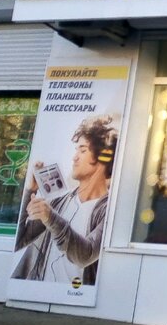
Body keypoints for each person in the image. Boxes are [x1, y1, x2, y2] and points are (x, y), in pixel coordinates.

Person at [12, 115, 118, 286]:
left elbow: (85, 256)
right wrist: (30, 190)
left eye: (82, 150)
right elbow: (18, 241)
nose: (74, 157)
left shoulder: (110, 210)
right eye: (76, 150)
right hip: (38, 292)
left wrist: (50, 218)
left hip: (75, 296)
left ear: (102, 159)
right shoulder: (58, 202)